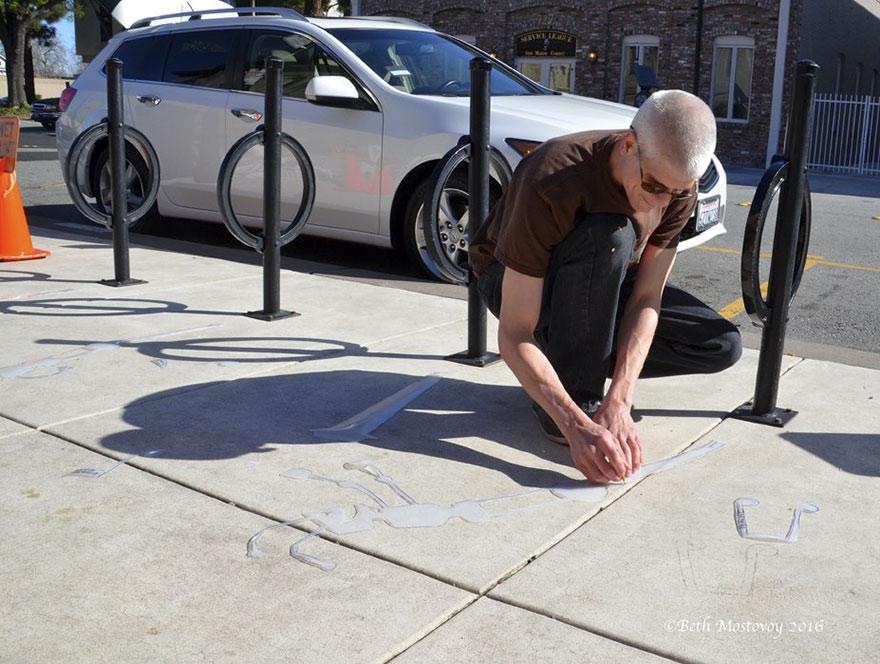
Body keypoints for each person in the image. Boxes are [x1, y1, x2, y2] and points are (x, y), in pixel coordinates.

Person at [469, 90, 742, 485]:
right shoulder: (552, 178)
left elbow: (647, 297)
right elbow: (515, 332)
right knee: (609, 235)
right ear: (629, 146)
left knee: (719, 344)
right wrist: (575, 425)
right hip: (512, 276)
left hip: (602, 274)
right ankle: (575, 390)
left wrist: (621, 399)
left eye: (675, 191)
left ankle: (577, 363)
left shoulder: (677, 186)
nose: (660, 200)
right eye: (653, 186)